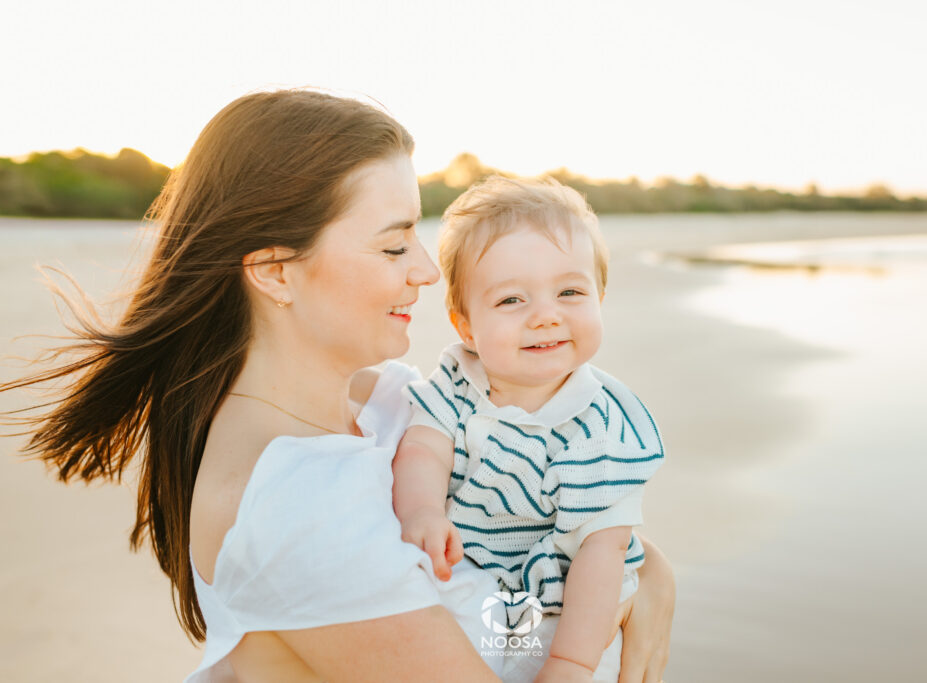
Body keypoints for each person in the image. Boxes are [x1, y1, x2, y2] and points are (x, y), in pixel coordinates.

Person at [0, 89, 674, 682]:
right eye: (393, 245)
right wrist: (635, 588)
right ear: (274, 271)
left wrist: (648, 572)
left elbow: (560, 517)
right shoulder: (298, 502)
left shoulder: (383, 400)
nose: (426, 272)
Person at [392, 176, 664, 683]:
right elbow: (423, 448)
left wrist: (571, 663)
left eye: (569, 292)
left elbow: (602, 554)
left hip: (572, 608)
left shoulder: (601, 422)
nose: (545, 316)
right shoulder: (455, 381)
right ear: (466, 325)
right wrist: (423, 508)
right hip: (469, 573)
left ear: (600, 296)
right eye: (512, 301)